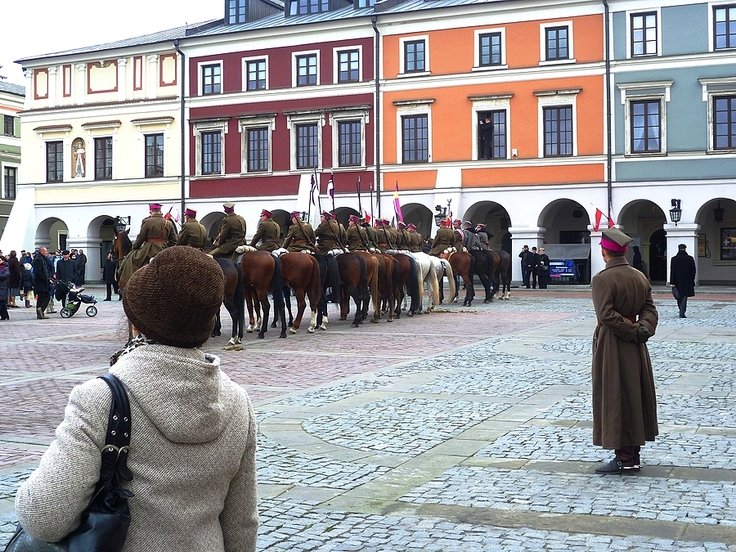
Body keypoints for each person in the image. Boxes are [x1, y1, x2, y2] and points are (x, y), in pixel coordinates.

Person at [14, 246, 258, 551]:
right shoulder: (238, 402)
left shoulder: (99, 399)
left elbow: (44, 518)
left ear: (136, 321)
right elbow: (241, 525)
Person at [591, 227, 659, 474]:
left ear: (604, 252)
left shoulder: (602, 279)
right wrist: (642, 329)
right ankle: (633, 454)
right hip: (636, 345)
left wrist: (630, 331)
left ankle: (625, 458)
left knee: (616, 395)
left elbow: (606, 315)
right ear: (625, 251)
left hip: (613, 344)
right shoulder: (639, 276)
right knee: (635, 394)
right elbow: (650, 309)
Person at [118, 203, 178, 285]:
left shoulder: (147, 222)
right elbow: (174, 240)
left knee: (132, 260)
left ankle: (130, 283)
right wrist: (166, 247)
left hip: (148, 249)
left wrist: (135, 246)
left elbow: (141, 238)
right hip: (164, 249)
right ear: (160, 211)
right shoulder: (168, 223)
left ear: (150, 211)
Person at [670, 243, 696, 318]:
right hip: (687, 280)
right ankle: (682, 312)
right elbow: (693, 270)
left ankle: (681, 310)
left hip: (677, 281)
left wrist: (672, 282)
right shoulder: (690, 259)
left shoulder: (674, 259)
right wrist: (692, 279)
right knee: (684, 297)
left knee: (679, 296)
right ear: (685, 249)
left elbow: (672, 271)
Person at [32, 247, 53, 319]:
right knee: (44, 297)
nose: (46, 252)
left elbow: (47, 269)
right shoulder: (38, 259)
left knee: (44, 297)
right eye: (44, 251)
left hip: (44, 281)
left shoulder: (44, 258)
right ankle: (40, 310)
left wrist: (50, 277)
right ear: (41, 251)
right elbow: (38, 272)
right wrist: (46, 278)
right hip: (40, 282)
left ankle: (40, 312)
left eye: (46, 251)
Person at [0, 255, 9, 320]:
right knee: (1, 302)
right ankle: (5, 315)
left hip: (2, 286)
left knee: (1, 301)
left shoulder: (5, 268)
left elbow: (5, 275)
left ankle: (4, 315)